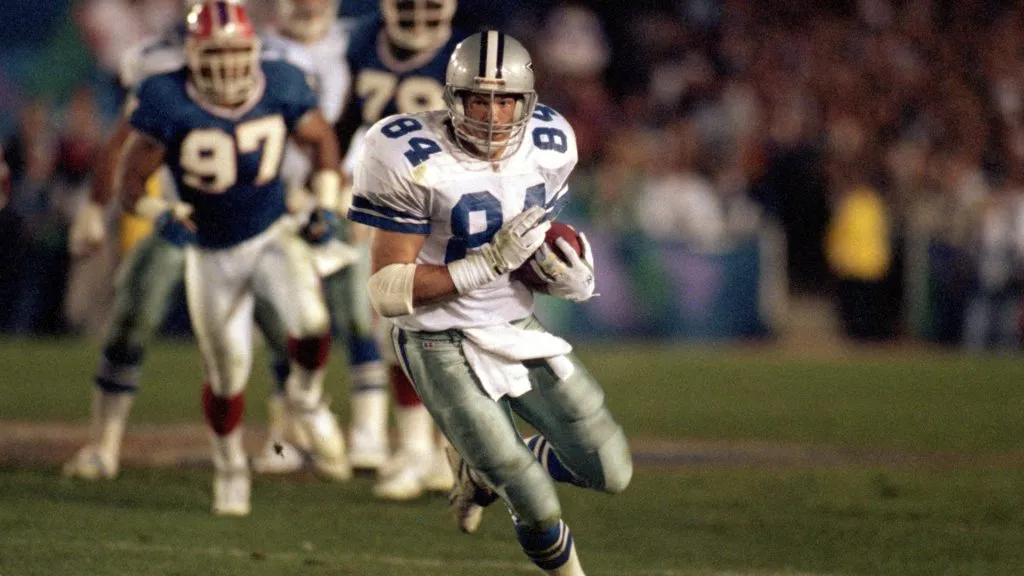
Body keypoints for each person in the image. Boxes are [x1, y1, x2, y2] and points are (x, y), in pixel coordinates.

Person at [349, 31, 632, 575]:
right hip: (435, 336)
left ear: (528, 102)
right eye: (479, 100)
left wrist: (566, 276)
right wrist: (483, 265)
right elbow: (385, 290)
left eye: (507, 101)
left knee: (610, 469)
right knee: (529, 492)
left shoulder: (550, 141)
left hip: (513, 323)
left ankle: (479, 470)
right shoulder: (406, 152)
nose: (493, 115)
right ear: (452, 98)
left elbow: (531, 245)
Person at [61, 0, 313, 481]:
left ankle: (287, 441)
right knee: (133, 316)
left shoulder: (276, 59)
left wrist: (311, 195)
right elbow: (125, 139)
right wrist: (96, 207)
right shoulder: (155, 61)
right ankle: (104, 443)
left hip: (258, 217)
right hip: (180, 217)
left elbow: (307, 132)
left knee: (286, 326)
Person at [118, 0, 350, 516]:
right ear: (191, 55)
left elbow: (321, 141)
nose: (226, 68)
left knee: (313, 324)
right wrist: (158, 210)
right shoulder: (166, 97)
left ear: (254, 51)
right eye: (214, 56)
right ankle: (229, 467)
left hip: (270, 234)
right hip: (210, 252)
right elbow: (130, 182)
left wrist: (326, 203)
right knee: (227, 374)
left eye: (235, 54)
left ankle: (306, 399)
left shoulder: (282, 83)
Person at [332, 0, 465, 499]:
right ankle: (416, 449)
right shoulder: (365, 40)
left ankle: (449, 449)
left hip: (446, 201)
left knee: (451, 333)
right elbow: (349, 118)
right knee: (394, 326)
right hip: (389, 202)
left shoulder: (463, 54)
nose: (418, 16)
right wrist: (334, 177)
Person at [254, 0, 393, 475]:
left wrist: (368, 189)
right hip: (279, 199)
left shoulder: (356, 42)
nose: (310, 5)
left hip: (347, 194)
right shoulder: (253, 51)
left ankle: (370, 434)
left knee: (357, 315)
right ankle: (288, 435)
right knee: (283, 325)